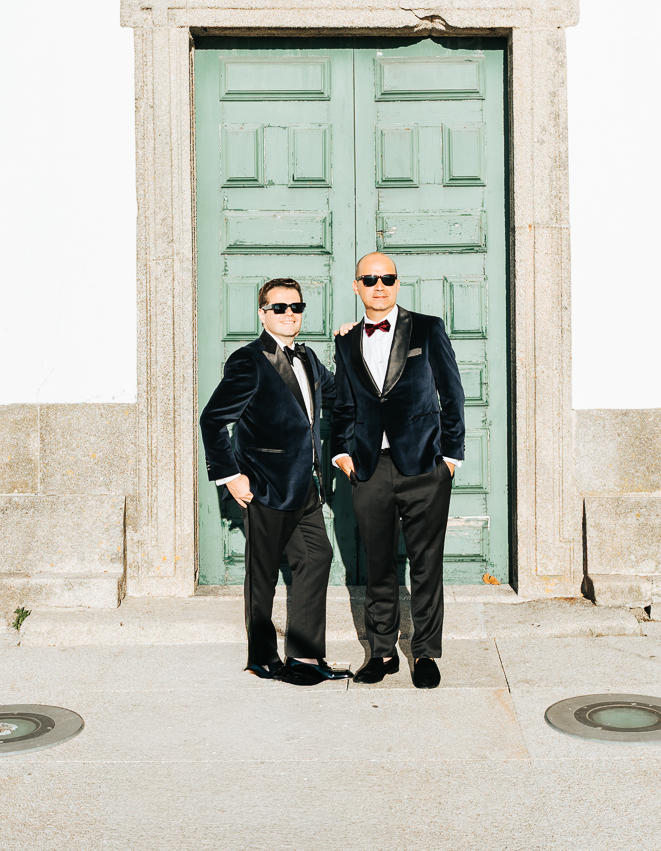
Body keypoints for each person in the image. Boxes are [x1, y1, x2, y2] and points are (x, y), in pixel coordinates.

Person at [199, 278, 349, 687]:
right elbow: (213, 420)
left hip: (307, 487)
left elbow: (339, 397)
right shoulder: (248, 360)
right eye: (279, 307)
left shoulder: (311, 359)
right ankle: (261, 659)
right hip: (264, 484)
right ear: (263, 313)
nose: (289, 314)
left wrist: (351, 349)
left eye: (296, 307)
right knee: (262, 574)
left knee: (316, 557)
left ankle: (303, 655)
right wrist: (231, 476)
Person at [330, 253, 465, 688]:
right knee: (378, 565)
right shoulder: (346, 341)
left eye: (387, 278)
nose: (379, 285)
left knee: (426, 564)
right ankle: (382, 651)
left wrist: (450, 458)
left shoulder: (427, 328)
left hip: (425, 466)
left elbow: (453, 393)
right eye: (369, 279)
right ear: (357, 287)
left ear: (398, 283)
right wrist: (340, 453)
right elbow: (344, 403)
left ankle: (425, 652)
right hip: (369, 468)